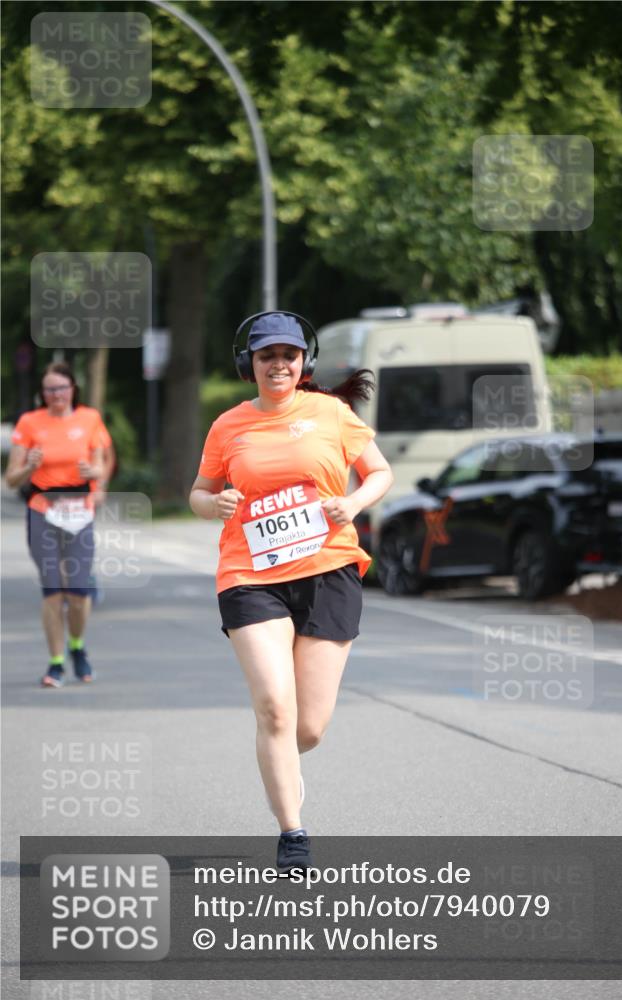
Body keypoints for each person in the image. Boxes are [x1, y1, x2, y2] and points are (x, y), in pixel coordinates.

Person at [189, 312, 393, 871]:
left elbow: (379, 473)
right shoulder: (228, 425)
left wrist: (351, 503)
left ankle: (275, 755)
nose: (279, 364)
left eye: (289, 355)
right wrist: (215, 505)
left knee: (308, 728)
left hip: (328, 570)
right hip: (250, 576)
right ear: (249, 363)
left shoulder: (331, 413)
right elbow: (199, 493)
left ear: (304, 361)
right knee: (276, 709)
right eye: (266, 356)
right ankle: (293, 833)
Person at [5, 362, 110, 687]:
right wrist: (29, 466)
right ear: (42, 392)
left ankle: (77, 646)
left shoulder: (89, 418)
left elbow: (101, 463)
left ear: (72, 389)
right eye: (50, 389)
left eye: (62, 388)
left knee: (78, 593)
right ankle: (55, 662)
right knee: (52, 591)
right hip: (42, 509)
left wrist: (98, 478)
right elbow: (10, 479)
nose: (56, 395)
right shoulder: (29, 422)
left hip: (79, 510)